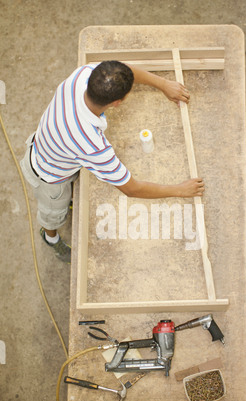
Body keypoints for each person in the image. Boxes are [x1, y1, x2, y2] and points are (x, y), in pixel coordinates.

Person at [20, 61, 205, 263]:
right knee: (53, 213)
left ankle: (63, 206)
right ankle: (50, 237)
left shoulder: (82, 74)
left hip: (50, 144)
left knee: (69, 187)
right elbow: (132, 189)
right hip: (48, 177)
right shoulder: (92, 146)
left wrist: (163, 84)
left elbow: (124, 70)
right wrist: (180, 190)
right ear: (117, 102)